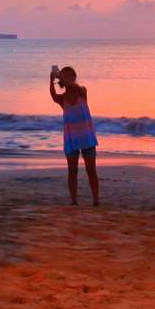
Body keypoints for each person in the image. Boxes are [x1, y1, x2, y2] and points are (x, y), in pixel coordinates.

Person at [49, 65, 99, 206]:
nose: (67, 78)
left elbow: (74, 86)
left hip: (87, 137)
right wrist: (51, 80)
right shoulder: (63, 98)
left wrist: (61, 77)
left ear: (74, 77)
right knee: (72, 170)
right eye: (64, 76)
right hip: (71, 139)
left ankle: (96, 199)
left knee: (91, 170)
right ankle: (73, 200)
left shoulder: (82, 91)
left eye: (69, 76)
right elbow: (53, 96)